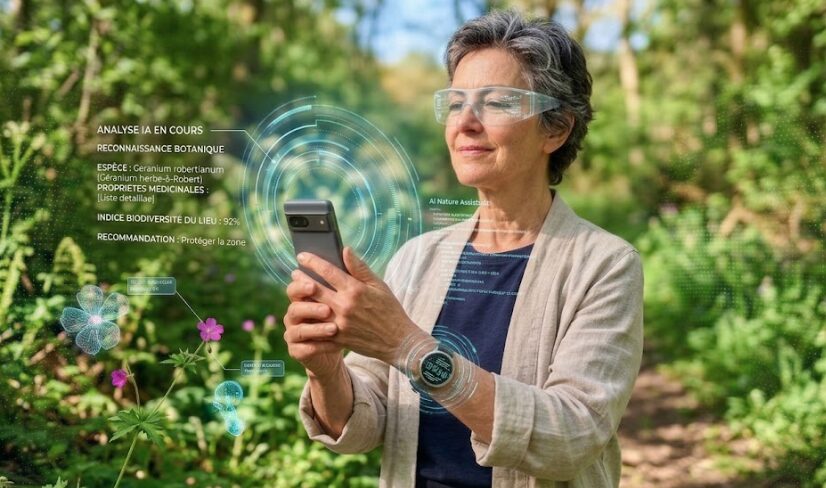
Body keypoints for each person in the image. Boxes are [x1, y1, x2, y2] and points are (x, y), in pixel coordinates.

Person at [283, 9, 643, 488]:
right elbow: (364, 426)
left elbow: (571, 436)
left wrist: (409, 347)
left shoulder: (604, 265)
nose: (466, 123)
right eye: (455, 103)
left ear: (555, 129)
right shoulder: (417, 257)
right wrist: (327, 372)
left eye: (496, 103)